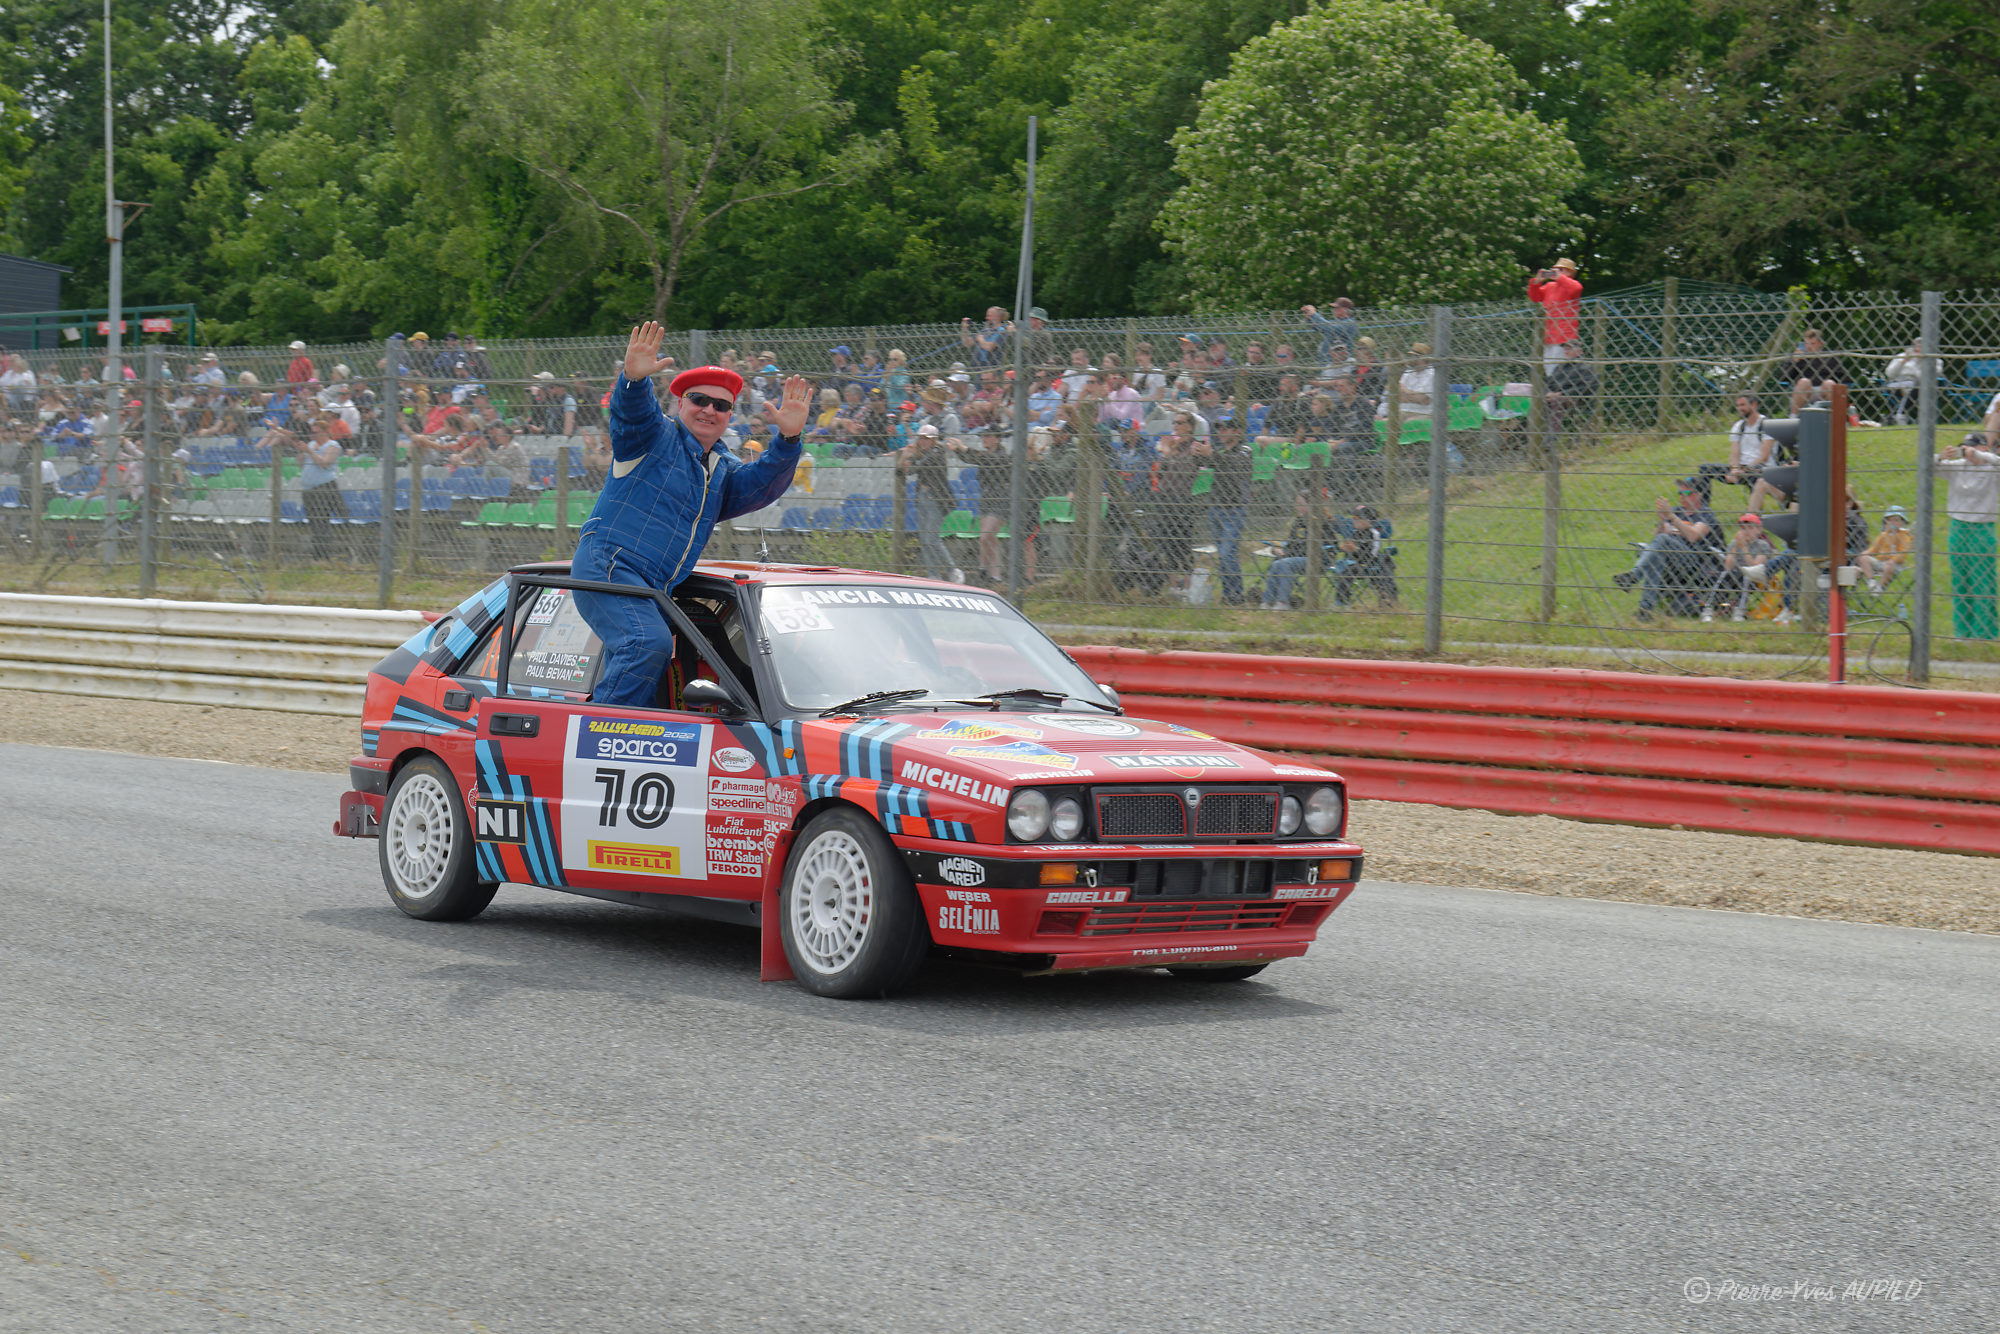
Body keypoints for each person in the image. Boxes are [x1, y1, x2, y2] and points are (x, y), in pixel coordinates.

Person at [572, 324, 807, 707]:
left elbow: (762, 486)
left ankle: (611, 739)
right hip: (609, 566)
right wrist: (633, 379)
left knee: (644, 658)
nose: (710, 410)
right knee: (647, 642)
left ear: (730, 415)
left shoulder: (723, 468)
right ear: (680, 404)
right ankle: (597, 732)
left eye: (722, 405)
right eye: (699, 399)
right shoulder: (652, 436)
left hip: (656, 587)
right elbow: (631, 414)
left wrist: (790, 441)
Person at [1612, 475, 1719, 620]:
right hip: (1669, 557)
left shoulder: (1706, 514)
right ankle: (1645, 610)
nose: (1682, 496)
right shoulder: (1677, 511)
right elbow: (1658, 537)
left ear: (1699, 494)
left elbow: (1693, 536)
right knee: (1657, 556)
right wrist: (1662, 520)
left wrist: (1671, 517)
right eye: (1680, 493)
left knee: (1663, 542)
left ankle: (1634, 576)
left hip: (1693, 562)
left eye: (1686, 493)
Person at [1937, 433, 1999, 640]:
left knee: (1983, 581)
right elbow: (1930, 468)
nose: (1967, 452)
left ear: (1983, 448)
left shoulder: (1992, 468)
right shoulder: (1957, 466)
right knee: (1960, 580)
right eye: (1965, 448)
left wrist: (1984, 456)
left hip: (1982, 528)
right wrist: (1940, 457)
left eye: (1972, 447)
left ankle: (1984, 632)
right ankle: (1961, 632)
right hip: (1958, 527)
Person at [1194, 422, 1253, 604]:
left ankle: (1236, 595)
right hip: (1216, 508)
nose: (1220, 432)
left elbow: (1236, 465)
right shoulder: (1221, 452)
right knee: (1223, 554)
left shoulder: (1245, 450)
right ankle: (1229, 595)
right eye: (1218, 429)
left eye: (1225, 429)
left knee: (1228, 553)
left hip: (1234, 510)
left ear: (1237, 431)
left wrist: (1211, 454)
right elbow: (1204, 463)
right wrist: (1196, 450)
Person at [896, 423, 956, 581]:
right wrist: (905, 455)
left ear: (934, 440)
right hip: (922, 496)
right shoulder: (921, 453)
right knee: (924, 539)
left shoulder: (937, 451)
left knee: (931, 538)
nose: (923, 442)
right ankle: (933, 575)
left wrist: (912, 456)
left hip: (935, 497)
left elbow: (918, 466)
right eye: (921, 439)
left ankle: (952, 570)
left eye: (927, 439)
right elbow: (901, 471)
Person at [1718, 513, 1778, 622]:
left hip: (1756, 578)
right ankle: (1715, 606)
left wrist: (1744, 547)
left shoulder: (1762, 545)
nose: (1746, 531)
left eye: (1750, 528)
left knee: (1746, 577)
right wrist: (1736, 547)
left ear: (1759, 530)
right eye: (1743, 528)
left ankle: (1739, 610)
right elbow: (1728, 567)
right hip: (1735, 575)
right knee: (1723, 575)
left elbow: (1754, 566)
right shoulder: (1734, 544)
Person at [1528, 259, 1583, 372]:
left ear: (1570, 272)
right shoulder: (1550, 286)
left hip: (1565, 336)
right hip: (1549, 335)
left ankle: (1557, 388)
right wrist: (1536, 282)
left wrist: (1560, 278)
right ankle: (1553, 388)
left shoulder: (1571, 285)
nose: (1557, 271)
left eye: (1561, 269)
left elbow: (1576, 288)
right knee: (1549, 368)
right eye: (1555, 269)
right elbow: (1535, 297)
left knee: (1562, 368)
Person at [1780, 329, 1849, 416]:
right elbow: (1783, 378)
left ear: (1820, 343)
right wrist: (1794, 362)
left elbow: (1844, 378)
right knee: (1804, 381)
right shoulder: (1798, 358)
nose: (1809, 347)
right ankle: (1793, 417)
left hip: (1824, 390)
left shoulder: (1829, 357)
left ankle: (1838, 417)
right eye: (1806, 343)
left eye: (1812, 344)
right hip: (1806, 391)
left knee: (1829, 383)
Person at [1543, 341, 1597, 436]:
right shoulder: (1559, 367)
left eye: (1569, 349)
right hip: (1555, 396)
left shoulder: (1585, 367)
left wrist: (1561, 394)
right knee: (1534, 397)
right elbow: (1548, 383)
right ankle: (1528, 435)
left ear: (1579, 352)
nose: (1565, 352)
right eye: (1565, 349)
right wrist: (1547, 393)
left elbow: (1586, 388)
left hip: (1575, 398)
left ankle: (1551, 438)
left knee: (1557, 401)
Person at [1858, 505, 1912, 593]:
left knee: (1889, 565)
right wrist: (1866, 553)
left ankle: (1880, 587)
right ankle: (1871, 581)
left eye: (1896, 520)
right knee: (1863, 557)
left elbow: (1903, 553)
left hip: (1894, 565)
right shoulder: (1883, 535)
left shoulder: (1904, 535)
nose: (1892, 523)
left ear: (1902, 522)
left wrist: (1893, 560)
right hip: (1881, 563)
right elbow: (1874, 549)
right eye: (1889, 520)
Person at [1302, 299, 1358, 367]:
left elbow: (1330, 328)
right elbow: (1320, 328)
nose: (1334, 310)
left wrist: (1314, 315)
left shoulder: (1349, 323)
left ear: (1346, 310)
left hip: (1339, 363)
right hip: (1327, 361)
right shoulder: (1336, 321)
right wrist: (1309, 318)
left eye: (1336, 308)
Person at [1883, 342, 1923, 426]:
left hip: (1915, 387)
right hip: (1895, 384)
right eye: (1917, 346)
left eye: (1921, 347)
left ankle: (1900, 415)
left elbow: (1922, 378)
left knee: (1913, 387)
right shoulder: (1900, 356)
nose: (1917, 349)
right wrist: (1903, 361)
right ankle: (1900, 415)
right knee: (1911, 385)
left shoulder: (1928, 360)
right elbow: (1889, 374)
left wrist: (1919, 362)